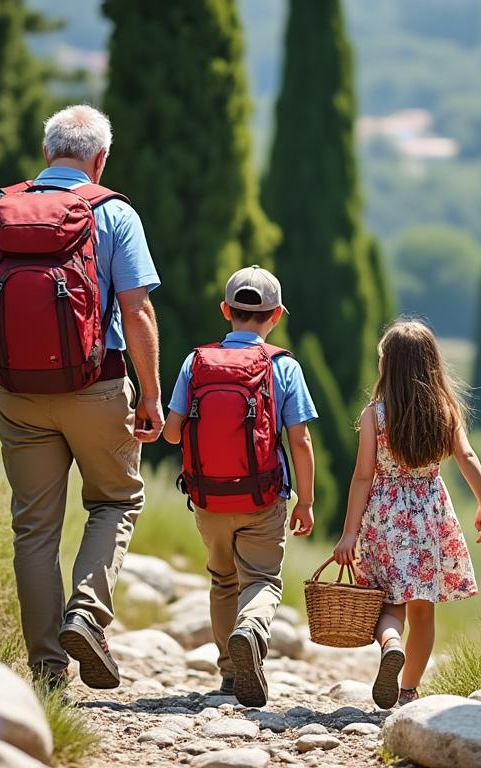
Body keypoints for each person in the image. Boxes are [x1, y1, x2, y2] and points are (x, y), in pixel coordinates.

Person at [0, 104, 163, 690]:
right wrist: (150, 394)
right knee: (115, 501)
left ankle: (47, 671)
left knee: (34, 531)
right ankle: (87, 614)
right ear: (101, 160)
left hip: (17, 392)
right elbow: (137, 310)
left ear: (46, 153)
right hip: (98, 388)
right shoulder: (114, 212)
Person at [162, 265, 317, 707]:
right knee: (262, 580)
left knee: (222, 580)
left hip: (208, 498)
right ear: (277, 315)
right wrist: (306, 501)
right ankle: (250, 630)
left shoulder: (196, 362)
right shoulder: (283, 365)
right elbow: (300, 440)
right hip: (262, 497)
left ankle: (230, 674)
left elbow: (171, 434)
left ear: (225, 310)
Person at [332, 320, 481, 709]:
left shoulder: (374, 416)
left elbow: (362, 476)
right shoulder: (445, 411)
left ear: (386, 365)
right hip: (430, 516)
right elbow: (467, 456)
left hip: (386, 517)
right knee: (423, 611)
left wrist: (349, 533)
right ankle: (408, 691)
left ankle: (391, 644)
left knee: (390, 604)